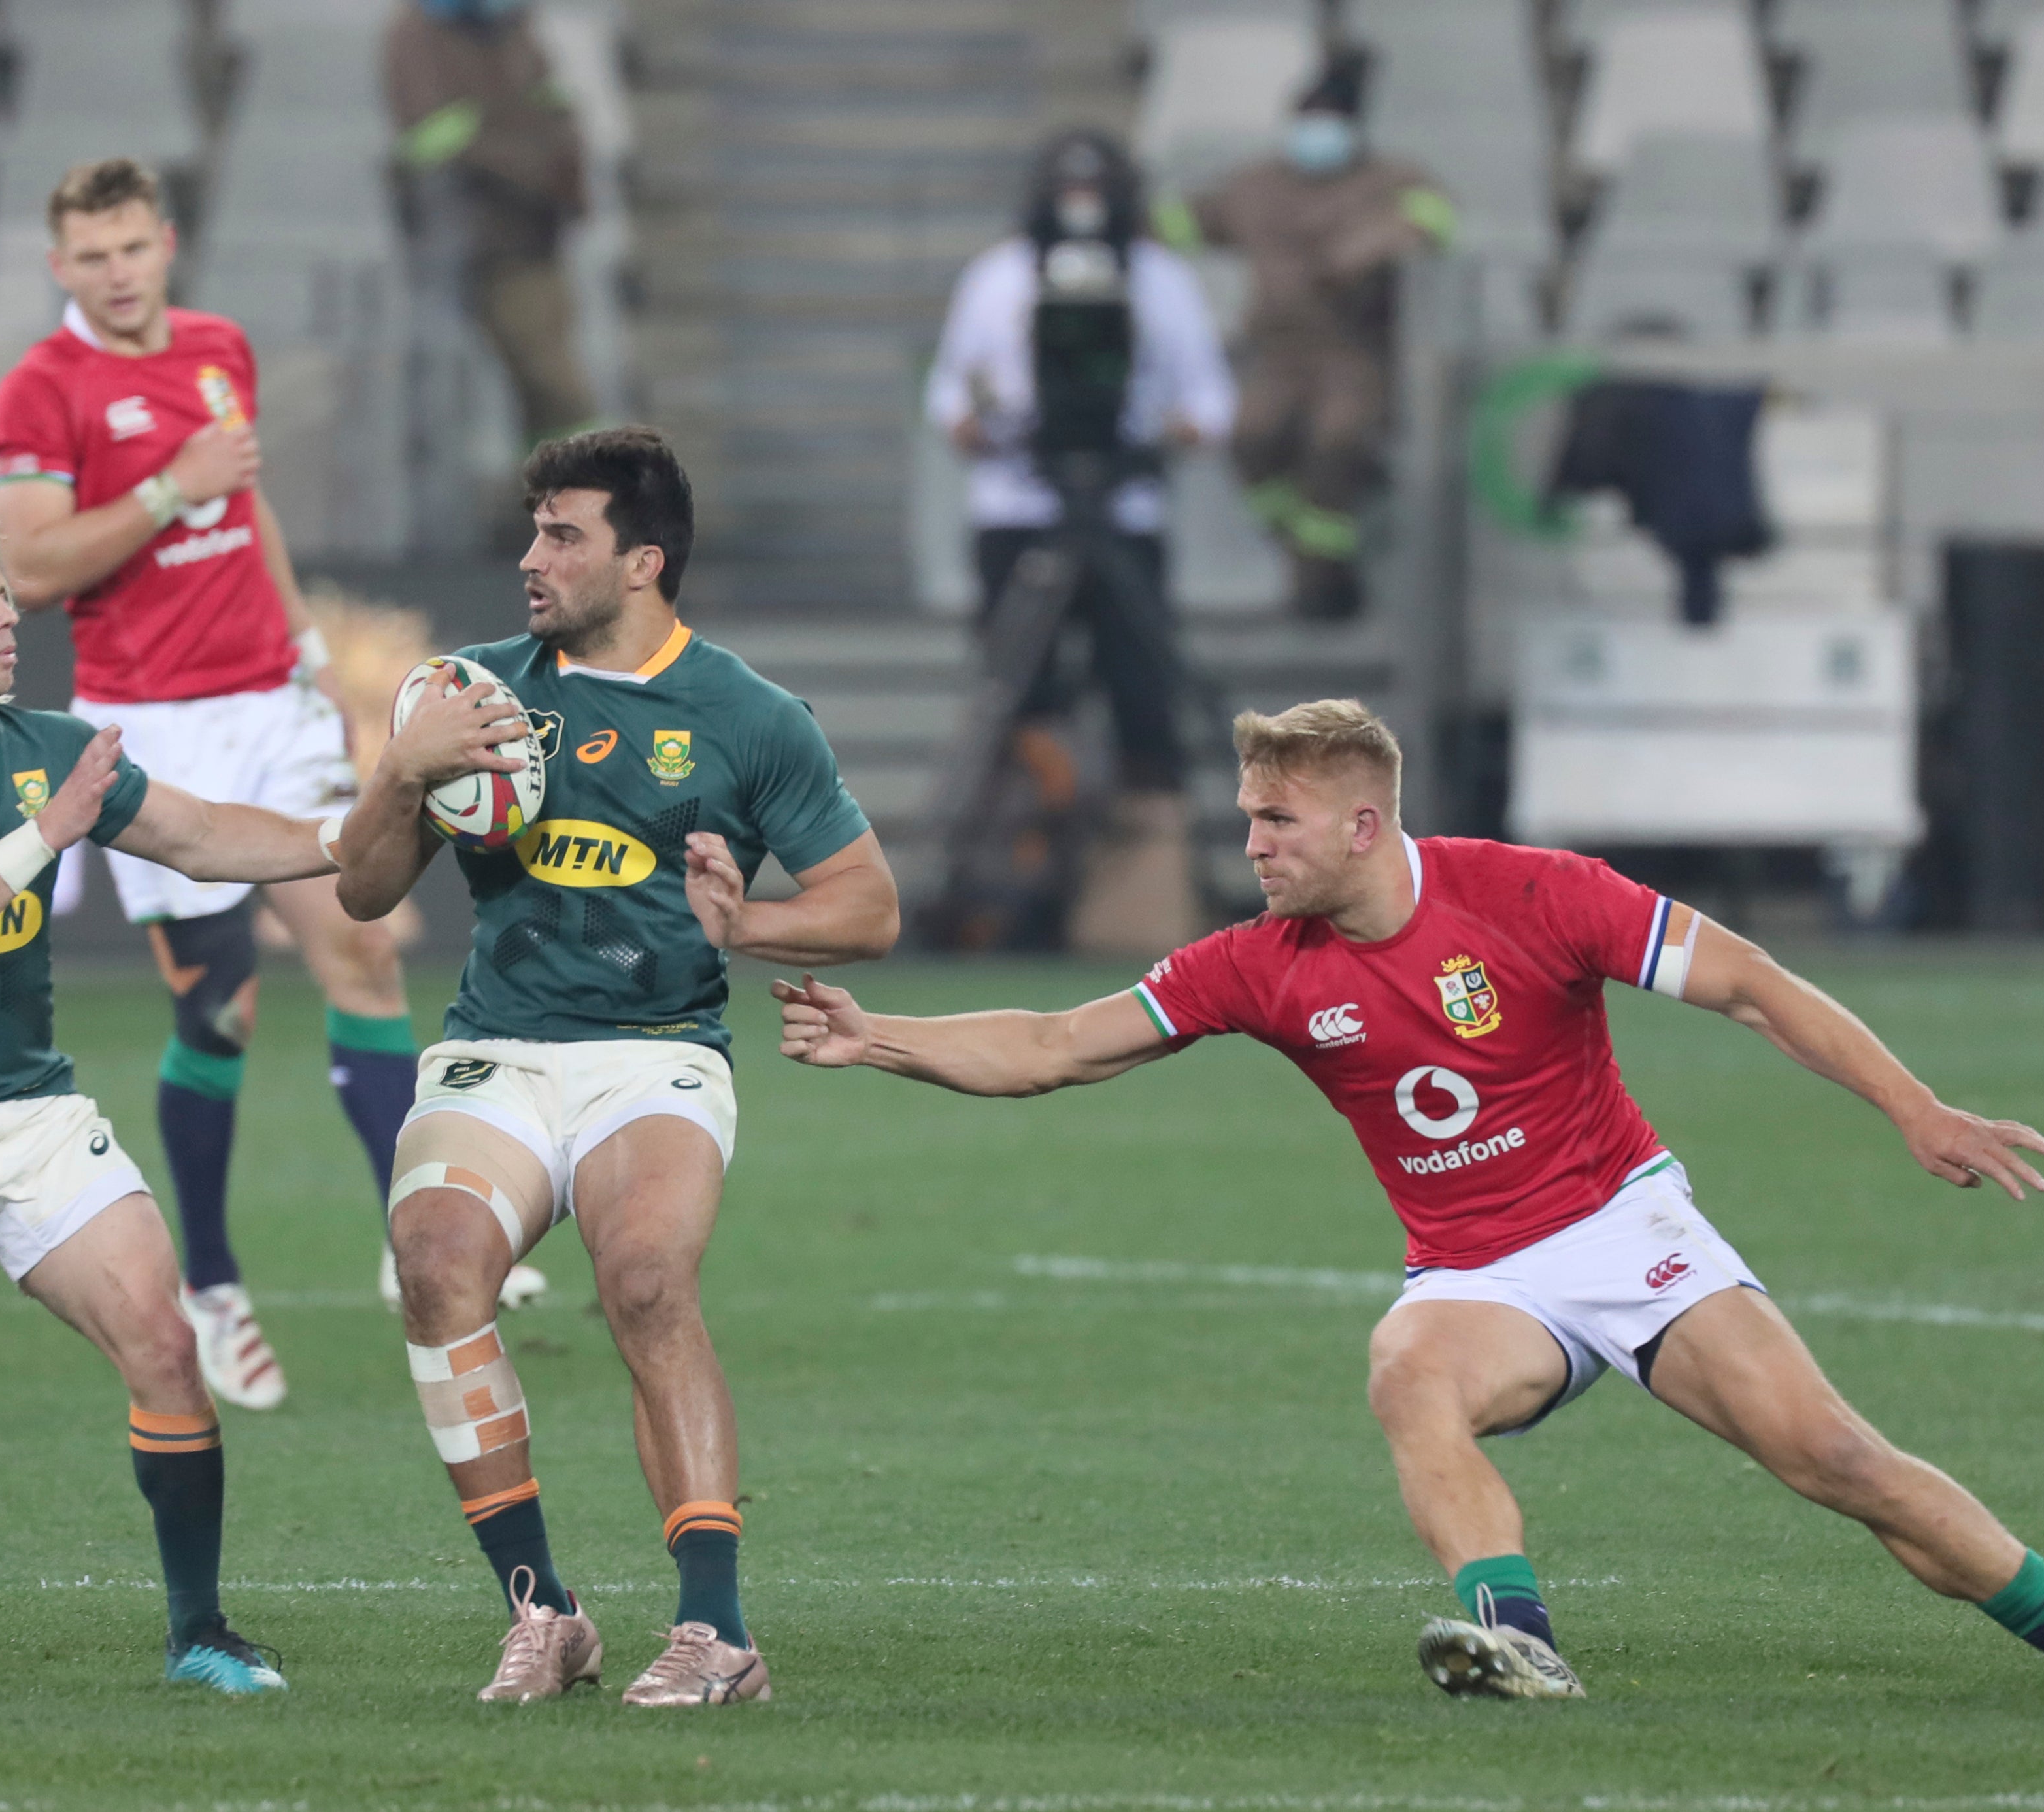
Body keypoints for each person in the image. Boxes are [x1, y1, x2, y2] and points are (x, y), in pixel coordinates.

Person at [772, 698, 2044, 1701]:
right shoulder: (1255, 965)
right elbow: (1051, 1047)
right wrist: (877, 1036)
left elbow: (1744, 982)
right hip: (1476, 1273)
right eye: (1247, 820)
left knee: (1838, 1462)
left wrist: (1912, 1108)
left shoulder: (1531, 895)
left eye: (1274, 822)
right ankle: (1519, 1645)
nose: (1252, 846)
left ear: (1362, 825)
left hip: (1626, 1225)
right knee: (1408, 1366)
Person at [330, 426, 899, 1707]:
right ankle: (545, 1611)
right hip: (498, 1051)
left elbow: (867, 907)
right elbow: (365, 894)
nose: (531, 558)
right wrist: (401, 775)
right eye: (531, 531)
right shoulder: (469, 692)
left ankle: (717, 1631)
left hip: (656, 1057)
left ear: (643, 560)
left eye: (562, 535)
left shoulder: (749, 717)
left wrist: (742, 926)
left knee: (645, 1282)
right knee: (432, 1269)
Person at [0, 158, 508, 1411]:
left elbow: (248, 507)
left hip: (268, 699)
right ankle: (210, 1282)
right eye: (90, 256)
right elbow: (31, 568)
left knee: (365, 942)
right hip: (150, 722)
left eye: (131, 248)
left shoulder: (219, 348)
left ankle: (410, 1236)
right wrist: (168, 487)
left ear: (165, 243)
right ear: (62, 267)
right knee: (219, 1006)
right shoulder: (39, 392)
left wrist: (314, 656)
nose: (116, 273)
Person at [0, 507, 340, 1692]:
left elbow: (198, 836)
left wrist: (363, 827)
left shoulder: (45, 744)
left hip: (33, 1117)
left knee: (168, 1349)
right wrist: (48, 831)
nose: (8, 612)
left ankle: (200, 1633)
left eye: (1, 592)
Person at [924, 128, 1234, 955]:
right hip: (1016, 504)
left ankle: (1147, 897)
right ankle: (1011, 882)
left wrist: (1172, 431)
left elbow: (1209, 397)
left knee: (1141, 692)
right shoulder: (995, 277)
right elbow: (953, 387)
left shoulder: (1163, 282)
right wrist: (975, 425)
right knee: (1018, 695)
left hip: (1125, 511)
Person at [1165, 48, 1455, 621]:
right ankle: (1302, 549)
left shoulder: (1389, 180)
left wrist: (1376, 242)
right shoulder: (1256, 187)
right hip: (1275, 354)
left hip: (1353, 355)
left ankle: (1322, 583)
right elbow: (1181, 221)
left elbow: (1437, 219)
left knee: (1337, 442)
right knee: (1249, 434)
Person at [386, 0, 597, 449]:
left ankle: (563, 491)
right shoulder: (418, 33)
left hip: (536, 232)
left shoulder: (512, 27)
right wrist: (523, 150)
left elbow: (558, 115)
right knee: (553, 382)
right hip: (474, 240)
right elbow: (431, 135)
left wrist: (563, 183)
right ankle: (599, 490)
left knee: (547, 388)